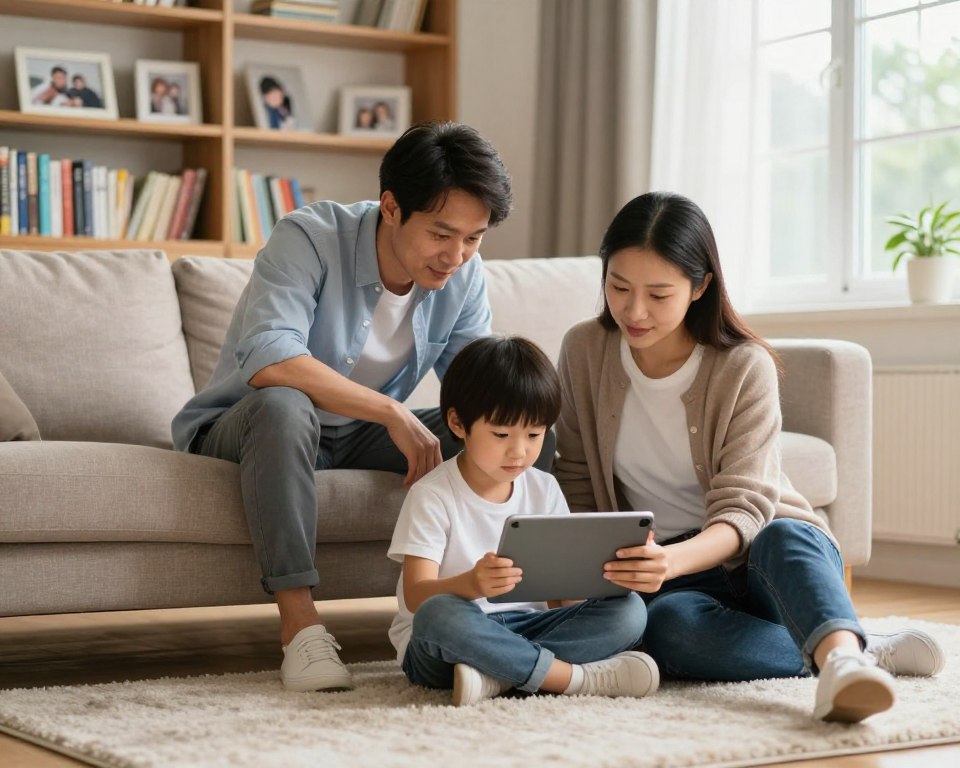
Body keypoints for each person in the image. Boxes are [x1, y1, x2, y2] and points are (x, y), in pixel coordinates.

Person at [171, 122, 552, 694]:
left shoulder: (463, 273)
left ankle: (520, 614)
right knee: (284, 405)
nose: (456, 256)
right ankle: (301, 629)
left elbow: (480, 390)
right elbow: (270, 357)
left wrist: (528, 417)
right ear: (393, 208)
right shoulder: (308, 236)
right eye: (442, 234)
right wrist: (392, 413)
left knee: (512, 432)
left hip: (356, 433)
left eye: (473, 239)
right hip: (252, 423)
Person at [554, 191, 946, 723]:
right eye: (619, 287)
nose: (634, 311)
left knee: (787, 536)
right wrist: (590, 570)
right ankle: (853, 648)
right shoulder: (585, 350)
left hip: (764, 552)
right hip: (668, 578)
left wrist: (672, 559)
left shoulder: (743, 366)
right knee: (669, 632)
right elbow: (574, 473)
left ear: (700, 287)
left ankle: (842, 657)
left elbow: (745, 509)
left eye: (658, 294)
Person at [389, 335, 658, 706]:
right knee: (439, 614)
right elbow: (418, 597)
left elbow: (561, 598)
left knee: (628, 610)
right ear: (457, 423)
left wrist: (598, 576)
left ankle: (497, 674)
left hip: (526, 629)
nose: (519, 451)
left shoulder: (544, 487)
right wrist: (471, 583)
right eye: (501, 434)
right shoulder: (431, 494)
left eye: (534, 434)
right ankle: (572, 679)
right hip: (449, 641)